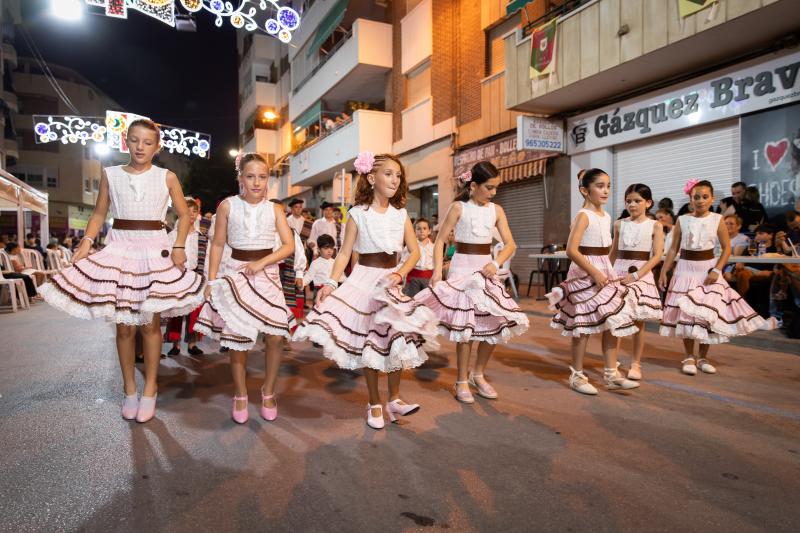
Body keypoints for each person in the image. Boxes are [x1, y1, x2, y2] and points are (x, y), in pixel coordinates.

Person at [38, 119, 205, 423]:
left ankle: (151, 389)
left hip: (153, 251)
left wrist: (179, 245)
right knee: (124, 326)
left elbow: (184, 214)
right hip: (119, 249)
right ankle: (130, 390)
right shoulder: (110, 174)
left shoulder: (167, 177)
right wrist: (87, 242)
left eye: (147, 142)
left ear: (157, 147)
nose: (141, 147)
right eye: (135, 140)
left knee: (150, 325)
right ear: (126, 141)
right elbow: (100, 212)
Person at [293, 151, 438, 430]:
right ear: (371, 178)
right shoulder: (358, 214)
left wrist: (399, 273)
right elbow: (345, 252)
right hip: (364, 280)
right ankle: (373, 402)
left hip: (391, 280)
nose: (395, 179)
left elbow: (415, 251)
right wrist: (331, 283)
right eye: (388, 173)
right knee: (371, 344)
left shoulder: (401, 214)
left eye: (398, 175)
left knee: (396, 338)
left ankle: (394, 399)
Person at [194, 153, 296, 424]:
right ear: (240, 178)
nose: (256, 182)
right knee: (238, 338)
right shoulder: (228, 206)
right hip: (235, 272)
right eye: (250, 176)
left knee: (275, 335)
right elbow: (217, 245)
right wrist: (212, 280)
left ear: (268, 180)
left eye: (262, 177)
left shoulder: (275, 209)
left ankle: (269, 391)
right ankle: (240, 394)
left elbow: (288, 246)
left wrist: (262, 262)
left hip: (268, 275)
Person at [416, 161, 529, 403]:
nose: (493, 193)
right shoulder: (458, 208)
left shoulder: (496, 210)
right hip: (461, 270)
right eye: (489, 188)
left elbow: (511, 244)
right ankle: (461, 380)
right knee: (466, 329)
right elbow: (440, 242)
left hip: (486, 270)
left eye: (496, 188)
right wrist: (437, 271)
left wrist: (495, 264)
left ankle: (478, 374)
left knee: (495, 323)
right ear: (474, 186)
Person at [658, 179, 765, 375]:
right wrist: (665, 270)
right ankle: (689, 356)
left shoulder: (717, 219)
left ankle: (703, 357)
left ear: (711, 199)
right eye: (696, 197)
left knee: (708, 313)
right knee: (687, 314)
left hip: (707, 270)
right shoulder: (682, 220)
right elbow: (673, 248)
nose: (700, 200)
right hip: (685, 270)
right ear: (690, 199)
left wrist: (717, 270)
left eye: (704, 197)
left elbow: (726, 249)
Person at [547, 169, 639, 395]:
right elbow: (571, 249)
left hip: (603, 271)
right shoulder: (583, 215)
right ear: (584, 191)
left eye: (608, 185)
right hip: (583, 273)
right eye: (599, 186)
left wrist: (606, 270)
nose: (605, 190)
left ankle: (611, 374)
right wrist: (594, 272)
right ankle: (577, 375)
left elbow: (605, 250)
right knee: (583, 325)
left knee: (611, 320)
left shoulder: (607, 217)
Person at [609, 184, 664, 381]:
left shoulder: (655, 225)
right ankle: (612, 362)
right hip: (619, 273)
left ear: (648, 203)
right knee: (615, 318)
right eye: (629, 201)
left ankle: (635, 363)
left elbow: (657, 255)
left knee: (638, 322)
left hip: (641, 274)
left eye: (637, 201)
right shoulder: (619, 224)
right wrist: (607, 271)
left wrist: (637, 275)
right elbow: (614, 251)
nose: (632, 204)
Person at [164, 197, 204, 357]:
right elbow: (167, 255)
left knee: (194, 311)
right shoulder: (172, 235)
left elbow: (204, 258)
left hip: (196, 276)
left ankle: (192, 344)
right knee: (177, 311)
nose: (192, 214)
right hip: (177, 277)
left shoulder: (201, 236)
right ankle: (175, 344)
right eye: (188, 210)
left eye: (195, 211)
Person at [303, 234, 343, 301]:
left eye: (331, 248)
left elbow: (341, 277)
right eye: (326, 248)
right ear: (319, 249)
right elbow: (308, 276)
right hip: (319, 292)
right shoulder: (315, 263)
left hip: (333, 291)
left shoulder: (335, 262)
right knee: (319, 309)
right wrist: (302, 283)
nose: (329, 251)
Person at [401, 218, 435, 297]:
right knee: (412, 300)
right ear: (414, 231)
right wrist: (401, 277)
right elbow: (403, 262)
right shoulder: (410, 247)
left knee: (426, 301)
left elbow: (436, 264)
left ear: (429, 231)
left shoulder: (434, 247)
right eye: (418, 229)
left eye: (424, 228)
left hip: (428, 279)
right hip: (413, 278)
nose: (421, 231)